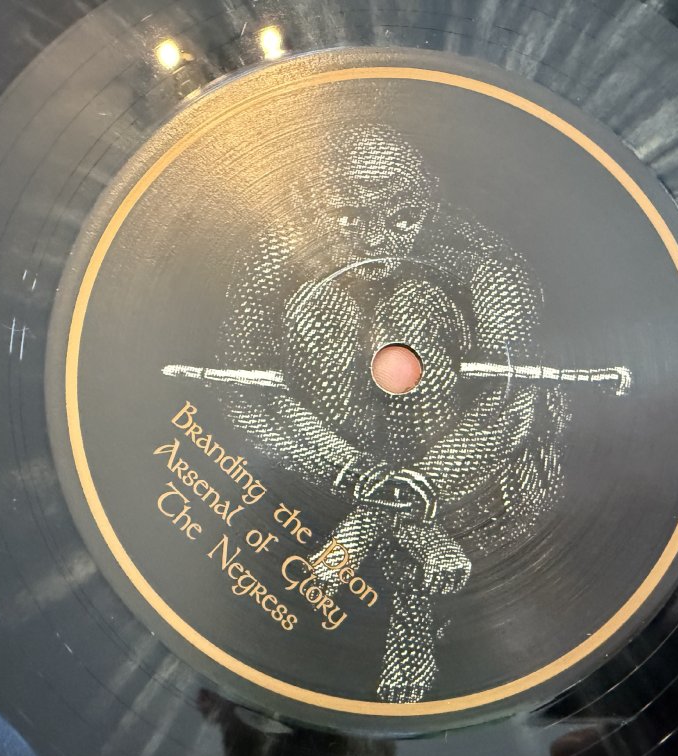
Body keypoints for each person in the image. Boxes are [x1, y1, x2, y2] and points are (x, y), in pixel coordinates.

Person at [219, 124, 566, 703]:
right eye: (349, 218)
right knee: (323, 307)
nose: (376, 239)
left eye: (402, 219)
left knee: (413, 307)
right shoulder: (276, 250)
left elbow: (509, 404)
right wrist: (352, 468)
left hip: (480, 490)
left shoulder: (488, 266)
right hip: (337, 464)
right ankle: (409, 534)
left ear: (430, 205)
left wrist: (422, 480)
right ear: (313, 203)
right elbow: (244, 388)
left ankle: (396, 540)